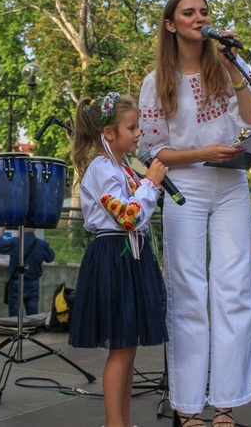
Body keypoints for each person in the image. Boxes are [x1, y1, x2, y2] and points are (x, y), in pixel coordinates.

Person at [138, 0, 251, 427]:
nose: (200, 18)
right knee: (188, 293)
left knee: (234, 291)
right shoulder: (157, 80)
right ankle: (189, 406)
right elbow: (151, 151)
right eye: (188, 12)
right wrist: (202, 153)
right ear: (171, 24)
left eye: (204, 11)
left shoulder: (232, 68)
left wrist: (234, 68)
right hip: (186, 187)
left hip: (232, 183)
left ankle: (227, 403)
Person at [68, 92, 169, 427]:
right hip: (114, 256)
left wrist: (147, 182)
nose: (139, 132)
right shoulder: (101, 169)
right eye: (132, 127)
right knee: (121, 348)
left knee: (128, 349)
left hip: (129, 258)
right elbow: (127, 217)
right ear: (109, 134)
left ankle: (122, 422)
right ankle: (115, 424)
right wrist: (150, 186)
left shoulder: (124, 167)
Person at [0, 227, 55, 317]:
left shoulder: (15, 242)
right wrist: (48, 246)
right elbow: (50, 258)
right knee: (33, 315)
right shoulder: (41, 244)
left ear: (22, 227)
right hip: (33, 283)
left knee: (14, 316)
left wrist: (2, 231)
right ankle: (31, 330)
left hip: (16, 283)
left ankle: (16, 330)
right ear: (34, 228)